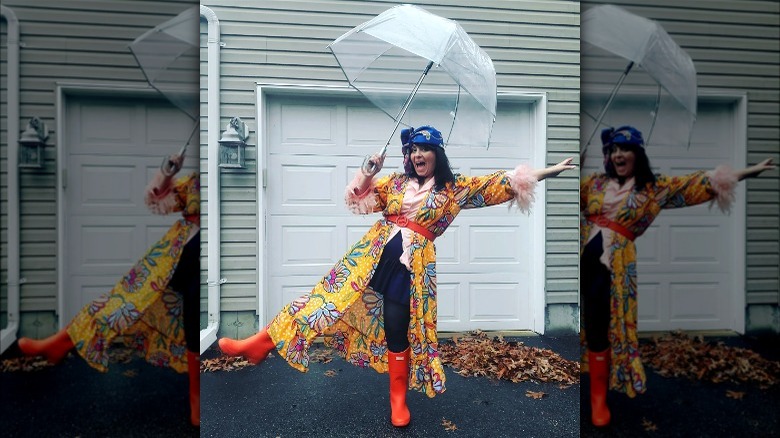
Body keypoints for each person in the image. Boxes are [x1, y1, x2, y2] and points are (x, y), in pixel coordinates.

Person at [219, 125, 576, 427]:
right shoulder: (393, 183)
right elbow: (358, 201)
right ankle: (258, 346)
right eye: (414, 149)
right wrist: (368, 171)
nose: (418, 155)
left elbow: (501, 182)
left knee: (395, 329)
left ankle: (398, 400)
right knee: (323, 301)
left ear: (438, 153)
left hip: (411, 269)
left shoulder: (454, 189)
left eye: (425, 149)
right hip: (370, 258)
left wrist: (546, 172)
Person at [580, 125, 776, 427]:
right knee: (586, 325)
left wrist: (748, 172)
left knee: (601, 327)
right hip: (580, 260)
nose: (618, 154)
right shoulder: (593, 183)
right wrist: (574, 169)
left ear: (637, 154)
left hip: (615, 269)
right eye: (613, 149)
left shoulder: (654, 188)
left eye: (625, 148)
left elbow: (697, 183)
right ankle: (587, 387)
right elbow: (567, 199)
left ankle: (598, 401)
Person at [17, 154, 202, 427]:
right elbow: (155, 201)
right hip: (172, 258)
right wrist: (167, 172)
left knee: (194, 320)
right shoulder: (197, 183)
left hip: (206, 262)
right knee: (122, 302)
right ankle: (62, 342)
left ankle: (196, 402)